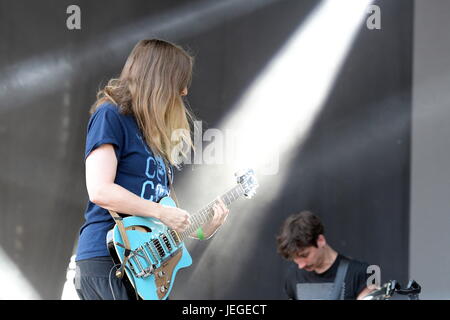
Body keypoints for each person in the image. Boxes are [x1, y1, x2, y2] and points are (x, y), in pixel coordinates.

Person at [74, 39, 229, 300]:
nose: (184, 91)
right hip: (110, 259)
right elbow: (100, 190)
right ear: (159, 79)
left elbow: (157, 225)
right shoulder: (111, 115)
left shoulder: (153, 136)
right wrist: (161, 211)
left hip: (145, 268)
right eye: (179, 81)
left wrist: (205, 229)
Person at [276, 211, 375, 300]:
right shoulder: (293, 276)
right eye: (295, 258)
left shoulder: (360, 273)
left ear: (320, 240)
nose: (301, 265)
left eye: (304, 255)